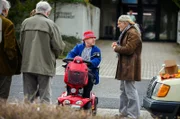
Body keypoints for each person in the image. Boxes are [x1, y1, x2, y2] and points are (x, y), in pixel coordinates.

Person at [20, 1, 65, 104]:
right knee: (45, 97)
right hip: (45, 65)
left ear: (36, 10)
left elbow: (21, 44)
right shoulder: (50, 24)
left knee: (28, 97)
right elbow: (58, 46)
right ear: (47, 12)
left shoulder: (25, 22)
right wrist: (55, 56)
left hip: (28, 65)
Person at [111, 15, 142, 119]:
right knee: (123, 91)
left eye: (119, 22)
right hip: (126, 65)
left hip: (130, 66)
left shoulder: (133, 33)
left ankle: (134, 115)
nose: (118, 24)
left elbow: (129, 49)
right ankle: (123, 113)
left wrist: (116, 48)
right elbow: (125, 46)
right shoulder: (127, 32)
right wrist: (118, 45)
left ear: (125, 23)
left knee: (130, 91)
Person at [66, 30, 101, 98]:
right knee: (69, 76)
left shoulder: (96, 50)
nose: (94, 39)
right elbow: (71, 54)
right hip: (77, 69)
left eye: (94, 38)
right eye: (91, 38)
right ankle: (69, 93)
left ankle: (86, 96)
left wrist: (90, 63)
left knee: (89, 77)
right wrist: (69, 60)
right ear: (85, 39)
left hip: (89, 70)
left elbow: (97, 60)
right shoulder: (78, 47)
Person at [0, 0, 21, 102]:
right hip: (3, 66)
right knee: (2, 97)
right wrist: (13, 63)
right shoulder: (7, 23)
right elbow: (9, 47)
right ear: (5, 10)